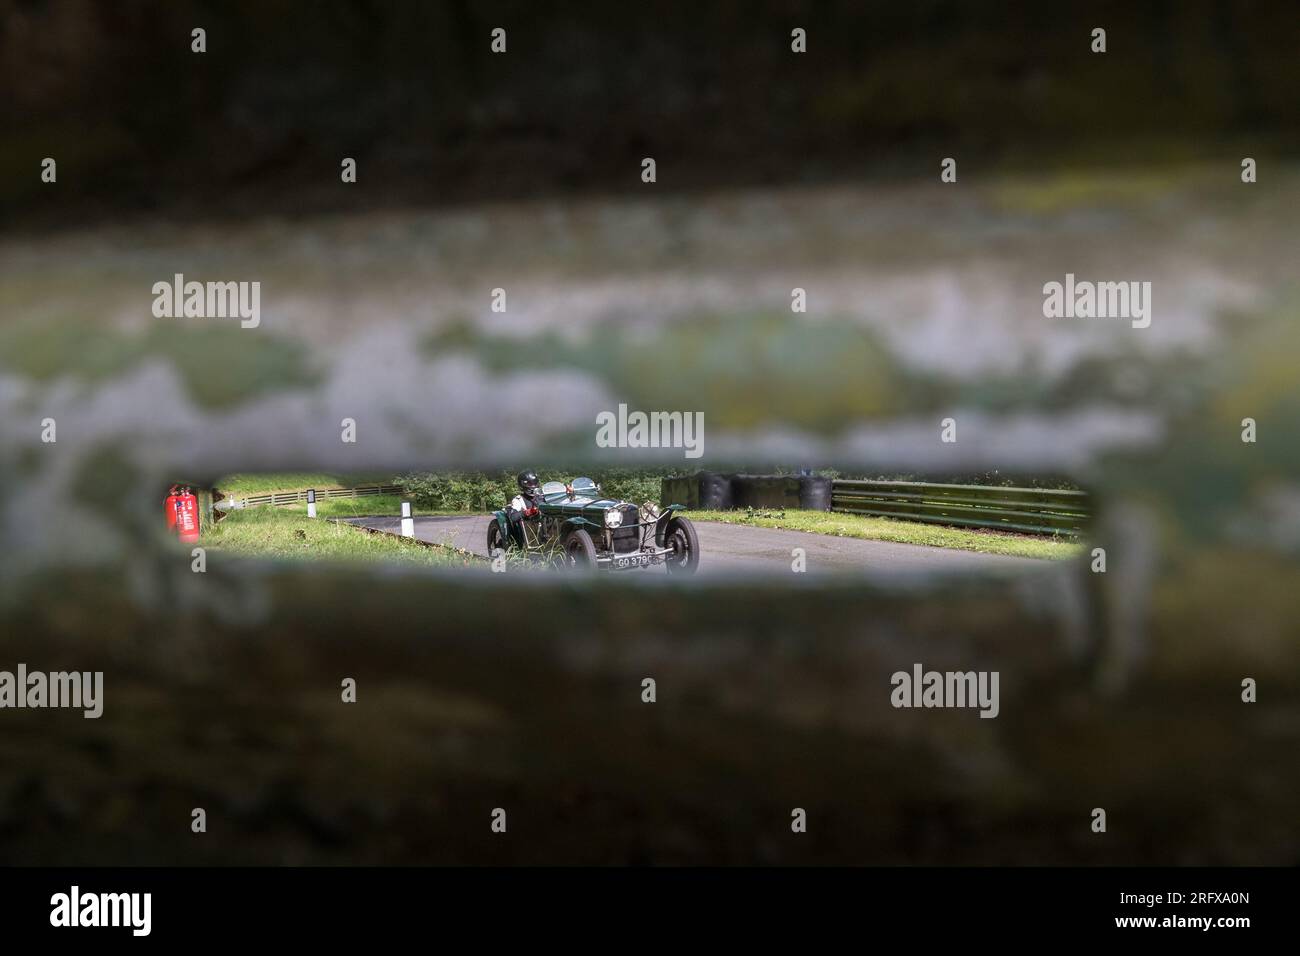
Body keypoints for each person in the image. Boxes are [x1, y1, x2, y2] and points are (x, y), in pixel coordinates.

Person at [506, 471, 545, 546]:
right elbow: (513, 517)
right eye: (530, 484)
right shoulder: (518, 500)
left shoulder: (542, 497)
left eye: (535, 483)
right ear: (522, 485)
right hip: (531, 532)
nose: (533, 486)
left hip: (547, 526)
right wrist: (527, 512)